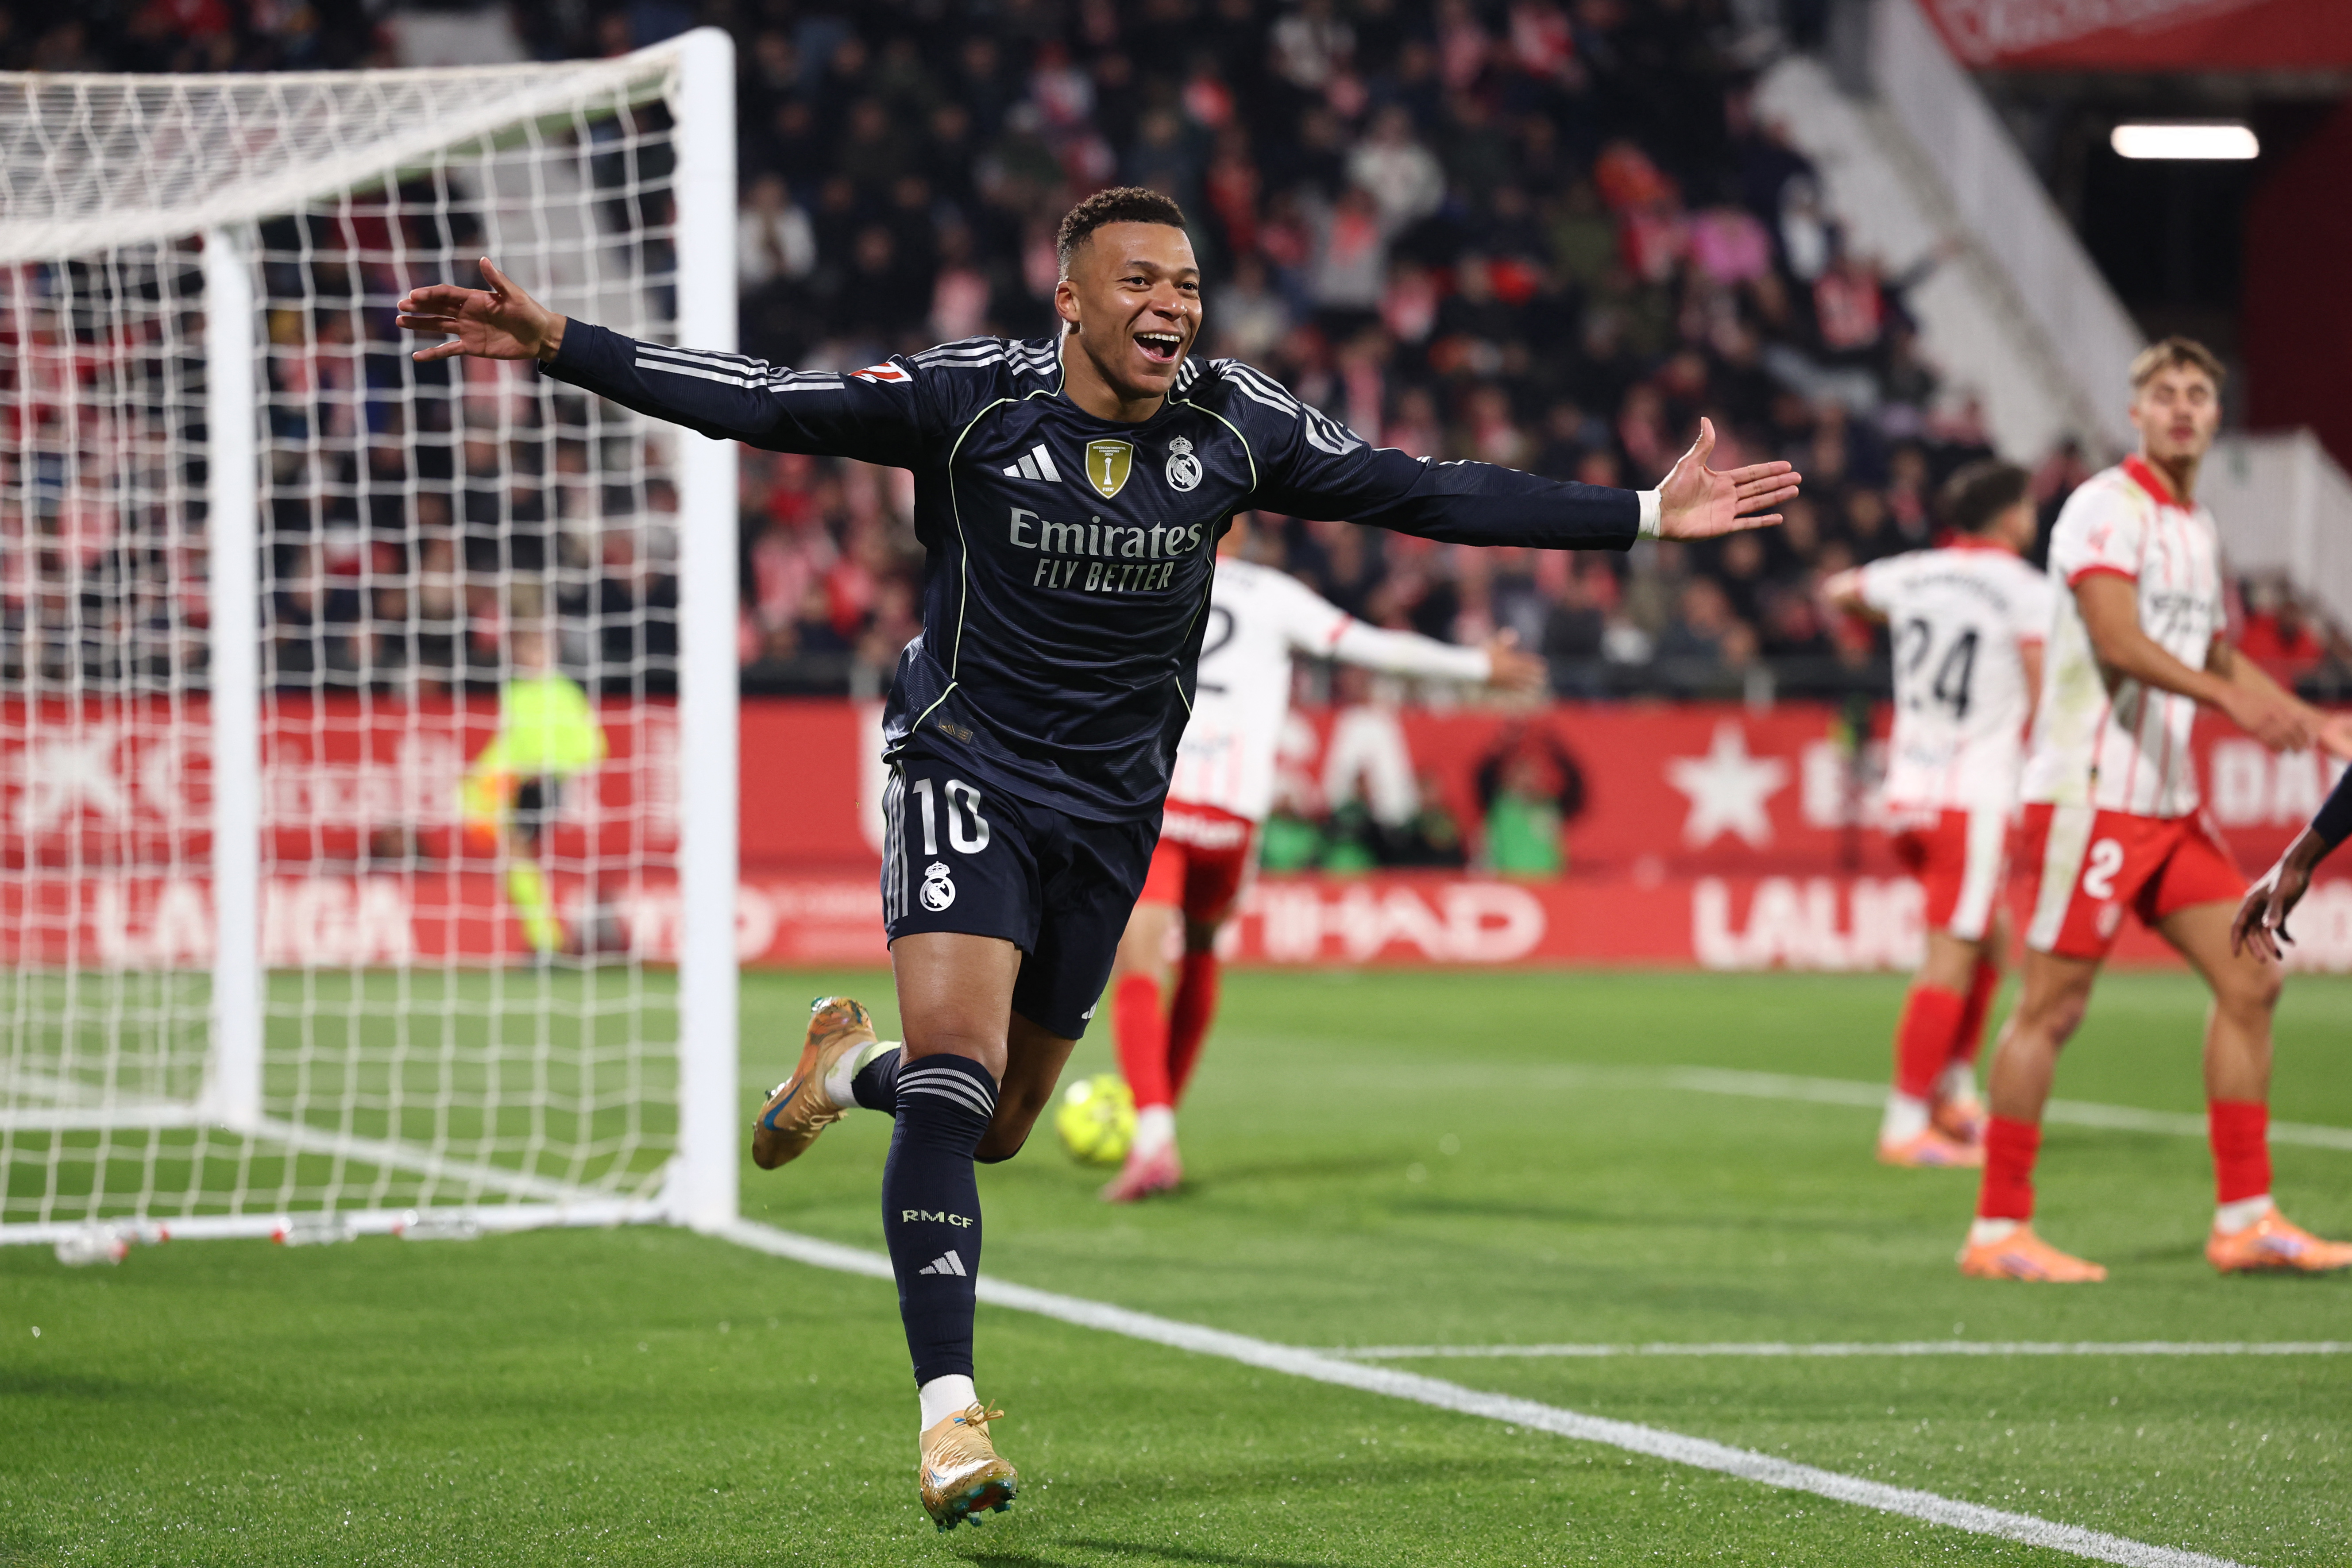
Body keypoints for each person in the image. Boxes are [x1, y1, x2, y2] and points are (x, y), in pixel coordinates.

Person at [397, 187, 1799, 1529]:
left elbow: (1418, 490)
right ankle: (949, 1412)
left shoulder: (1235, 423)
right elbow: (770, 399)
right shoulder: (973, 399)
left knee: (997, 1121)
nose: (1172, 304)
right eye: (1141, 280)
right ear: (1068, 298)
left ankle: (839, 1071)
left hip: (1116, 806)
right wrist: (565, 344)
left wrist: (1634, 513)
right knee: (959, 1077)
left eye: (1187, 283)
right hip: (965, 765)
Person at [1958, 338, 2352, 1282]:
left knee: (2252, 979)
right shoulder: (2104, 507)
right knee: (2051, 1008)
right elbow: (2115, 638)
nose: (2181, 408)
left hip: (2165, 805)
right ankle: (1996, 1230)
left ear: (2216, 417)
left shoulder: (2194, 524)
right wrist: (2234, 706)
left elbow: (2212, 655)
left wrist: (2305, 718)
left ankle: (2245, 1219)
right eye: (2163, 394)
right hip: (2087, 797)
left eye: (2197, 395)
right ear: (2133, 413)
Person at [1099, 513, 1546, 1203]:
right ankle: (1157, 1126)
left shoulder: (1138, 577)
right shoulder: (1275, 597)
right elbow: (1372, 648)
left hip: (1159, 799)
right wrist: (1475, 666)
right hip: (1234, 814)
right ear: (1242, 534)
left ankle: (1154, 1135)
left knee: (1139, 967)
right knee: (1205, 951)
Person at [1822, 460, 2051, 1168]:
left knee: (1990, 940)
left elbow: (1838, 592)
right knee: (1951, 956)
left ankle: (1951, 1094)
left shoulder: (1914, 573)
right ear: (2012, 517)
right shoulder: (2026, 590)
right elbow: (2044, 695)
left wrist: (1893, 612)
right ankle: (1904, 1124)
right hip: (1973, 796)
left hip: (1909, 793)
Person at [458, 623, 607, 958]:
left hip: (543, 785)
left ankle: (549, 943)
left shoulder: (564, 693)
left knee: (517, 858)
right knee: (515, 863)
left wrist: (549, 766)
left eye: (538, 650)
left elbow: (593, 745)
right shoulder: (515, 692)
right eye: (526, 651)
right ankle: (546, 941)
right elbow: (508, 743)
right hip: (515, 786)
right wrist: (481, 774)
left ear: (552, 654)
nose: (531, 657)